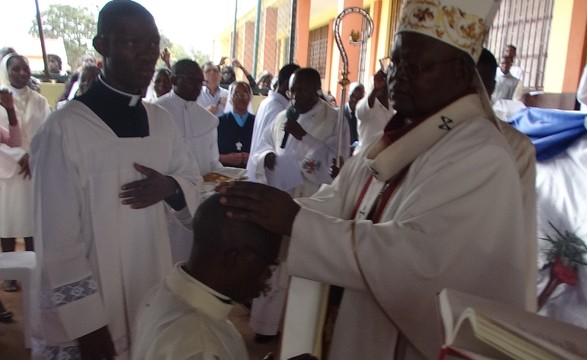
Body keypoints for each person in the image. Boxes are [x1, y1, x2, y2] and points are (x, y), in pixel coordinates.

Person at [217, 0, 534, 359]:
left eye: (414, 65)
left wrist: (295, 221)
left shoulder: (480, 154)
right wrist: (262, 213)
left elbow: (416, 261)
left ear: (461, 73)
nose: (398, 76)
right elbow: (341, 200)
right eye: (394, 62)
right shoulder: (403, 134)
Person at [30, 1, 202, 358]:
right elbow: (58, 242)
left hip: (150, 289)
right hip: (94, 316)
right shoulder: (64, 129)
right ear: (102, 45)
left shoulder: (161, 122)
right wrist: (89, 329)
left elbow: (191, 180)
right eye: (132, 43)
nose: (146, 55)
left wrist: (170, 187)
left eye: (152, 45)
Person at [132, 193, 282, 359]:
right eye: (267, 264)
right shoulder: (202, 347)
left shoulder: (161, 292)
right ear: (233, 259)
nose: (268, 274)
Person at [155, 59, 222, 263]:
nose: (198, 87)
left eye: (200, 82)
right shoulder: (155, 112)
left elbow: (213, 161)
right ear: (174, 80)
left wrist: (223, 178)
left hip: (201, 199)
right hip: (166, 202)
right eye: (192, 81)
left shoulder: (207, 119)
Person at [0, 54, 50, 292]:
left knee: (33, 221)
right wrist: (21, 157)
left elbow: (48, 132)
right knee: (7, 223)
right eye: (15, 69)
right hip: (8, 170)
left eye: (25, 68)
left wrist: (35, 157)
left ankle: (35, 267)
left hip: (35, 168)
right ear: (6, 71)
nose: (21, 73)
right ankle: (9, 274)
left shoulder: (40, 101)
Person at [246, 63, 300, 182]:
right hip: (264, 174)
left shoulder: (267, 102)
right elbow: (277, 147)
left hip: (257, 170)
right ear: (288, 83)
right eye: (297, 85)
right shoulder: (278, 110)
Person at [354, 70, 394, 155]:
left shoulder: (392, 107)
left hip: (382, 159)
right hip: (364, 158)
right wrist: (375, 90)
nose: (384, 85)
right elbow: (361, 113)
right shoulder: (364, 103)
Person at [217, 81, 255, 168]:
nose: (240, 98)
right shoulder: (219, 123)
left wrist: (252, 158)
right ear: (230, 98)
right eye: (236, 94)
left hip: (250, 173)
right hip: (225, 174)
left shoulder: (256, 122)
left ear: (250, 97)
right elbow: (210, 155)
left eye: (244, 94)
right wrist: (226, 158)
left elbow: (263, 151)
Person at [343, 82, 365, 150]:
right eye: (352, 96)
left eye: (359, 98)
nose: (355, 100)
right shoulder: (340, 113)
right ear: (348, 94)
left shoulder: (365, 114)